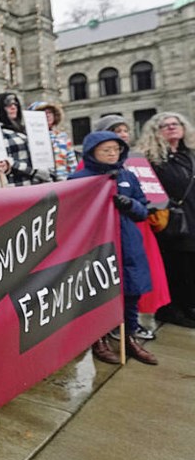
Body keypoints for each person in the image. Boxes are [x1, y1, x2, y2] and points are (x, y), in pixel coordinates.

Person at [69, 131, 157, 365]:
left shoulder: (127, 176)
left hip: (128, 244)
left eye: (115, 149)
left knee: (131, 292)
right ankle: (98, 339)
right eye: (105, 149)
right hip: (97, 246)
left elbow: (143, 210)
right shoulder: (79, 179)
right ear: (92, 151)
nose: (111, 153)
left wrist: (130, 205)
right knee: (98, 293)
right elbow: (71, 214)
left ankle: (128, 338)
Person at [90, 114, 170, 330]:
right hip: (103, 241)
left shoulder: (128, 172)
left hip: (131, 234)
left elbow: (142, 205)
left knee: (132, 284)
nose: (123, 135)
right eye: (117, 131)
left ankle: (131, 330)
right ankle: (108, 331)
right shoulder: (85, 174)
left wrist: (131, 205)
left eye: (125, 131)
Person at [136, 112, 195, 329]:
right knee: (175, 265)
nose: (171, 127)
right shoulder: (150, 159)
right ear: (156, 131)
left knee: (190, 265)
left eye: (175, 123)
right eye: (165, 125)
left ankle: (189, 306)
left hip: (191, 214)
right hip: (170, 221)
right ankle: (171, 310)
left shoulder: (189, 154)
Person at [0, 92, 50, 187]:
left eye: (15, 104)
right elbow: (6, 161)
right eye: (8, 105)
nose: (13, 107)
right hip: (16, 185)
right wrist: (33, 171)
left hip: (36, 184)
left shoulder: (24, 129)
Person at [28, 100, 77, 180]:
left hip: (64, 183)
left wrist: (74, 180)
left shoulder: (62, 137)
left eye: (50, 112)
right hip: (41, 184)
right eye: (43, 113)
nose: (48, 116)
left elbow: (72, 162)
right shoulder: (29, 138)